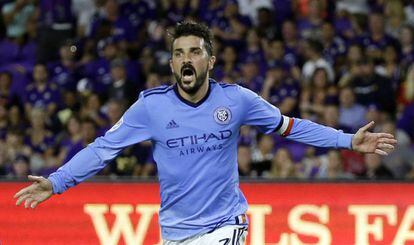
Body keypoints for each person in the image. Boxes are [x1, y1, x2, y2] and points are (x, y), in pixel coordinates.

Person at [14, 21, 397, 244]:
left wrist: (347, 139)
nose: (186, 59)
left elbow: (290, 126)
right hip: (175, 232)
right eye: (179, 53)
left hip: (226, 225)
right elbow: (102, 149)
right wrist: (58, 181)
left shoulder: (238, 100)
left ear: (210, 61)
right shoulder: (151, 107)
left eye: (194, 52)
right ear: (171, 63)